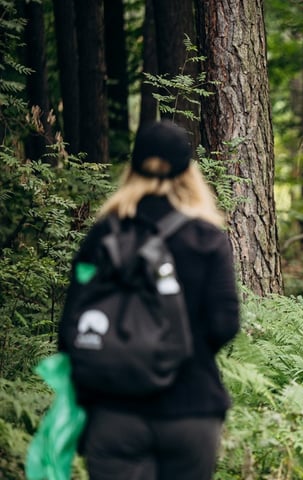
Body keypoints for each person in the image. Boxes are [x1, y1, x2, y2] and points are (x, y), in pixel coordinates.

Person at [58, 121, 241, 479]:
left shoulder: (103, 236)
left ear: (133, 167)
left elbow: (70, 328)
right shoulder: (206, 238)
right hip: (191, 410)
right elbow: (224, 325)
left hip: (113, 414)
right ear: (190, 172)